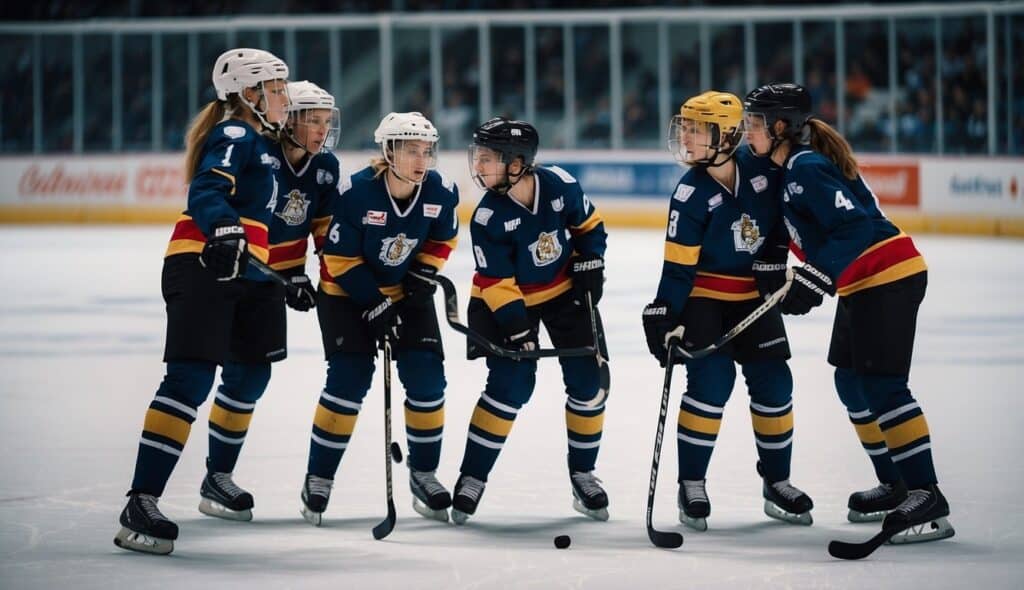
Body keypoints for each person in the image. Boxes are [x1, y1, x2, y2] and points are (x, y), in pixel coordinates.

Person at [743, 83, 953, 543]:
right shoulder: (790, 171)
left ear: (781, 127)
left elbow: (855, 225)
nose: (747, 132)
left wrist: (815, 276)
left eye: (755, 123)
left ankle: (926, 491)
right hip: (865, 282)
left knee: (881, 385)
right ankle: (896, 482)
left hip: (889, 275)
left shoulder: (805, 168)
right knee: (851, 380)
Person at [114, 48, 290, 555]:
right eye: (275, 88)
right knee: (190, 376)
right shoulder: (236, 134)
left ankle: (217, 479)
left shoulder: (261, 144)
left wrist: (285, 273)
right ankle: (140, 501)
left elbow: (263, 223)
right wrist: (225, 227)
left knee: (252, 372)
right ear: (248, 95)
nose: (282, 97)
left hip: (248, 270)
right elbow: (208, 190)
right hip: (204, 260)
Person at [641, 91, 812, 531]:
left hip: (755, 299)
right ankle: (691, 483)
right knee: (710, 385)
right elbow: (678, 267)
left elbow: (780, 224)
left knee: (775, 384)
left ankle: (778, 482)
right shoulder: (690, 191)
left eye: (698, 129)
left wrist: (775, 262)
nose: (688, 138)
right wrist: (664, 312)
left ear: (728, 134)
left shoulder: (763, 171)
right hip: (704, 301)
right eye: (686, 128)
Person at [301, 112, 459, 526]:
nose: (421, 159)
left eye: (426, 150)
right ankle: (319, 478)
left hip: (405, 293)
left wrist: (425, 271)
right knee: (348, 382)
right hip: (345, 295)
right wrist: (373, 302)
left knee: (428, 381)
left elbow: (445, 238)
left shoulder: (441, 192)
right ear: (388, 151)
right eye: (410, 150)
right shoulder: (355, 193)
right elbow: (337, 258)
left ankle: (424, 473)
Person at [451, 117, 610, 525]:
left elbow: (590, 226)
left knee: (590, 384)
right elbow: (496, 283)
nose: (479, 166)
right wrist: (519, 330)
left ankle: (583, 473)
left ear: (517, 163)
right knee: (510, 386)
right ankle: (472, 477)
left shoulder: (560, 185)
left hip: (562, 294)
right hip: (504, 301)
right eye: (479, 157)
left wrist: (592, 257)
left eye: (488, 159)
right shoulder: (488, 217)